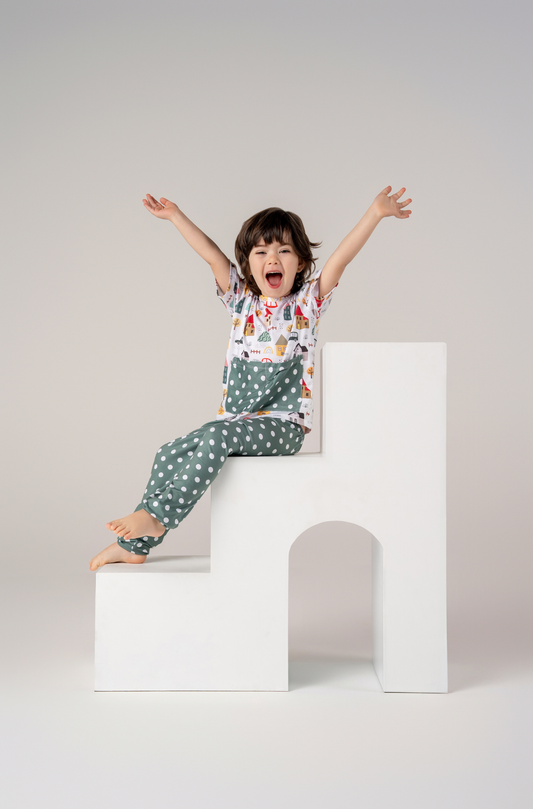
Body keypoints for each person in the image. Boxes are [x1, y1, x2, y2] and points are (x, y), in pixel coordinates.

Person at [89, 186, 412, 570]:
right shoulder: (241, 302)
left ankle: (158, 518)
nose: (272, 258)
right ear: (247, 264)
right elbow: (211, 255)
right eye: (261, 252)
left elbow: (341, 258)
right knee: (168, 452)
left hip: (282, 426)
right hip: (237, 423)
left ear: (300, 263)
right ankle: (135, 546)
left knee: (217, 436)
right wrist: (176, 216)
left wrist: (374, 213)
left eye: (284, 251)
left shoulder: (307, 305)